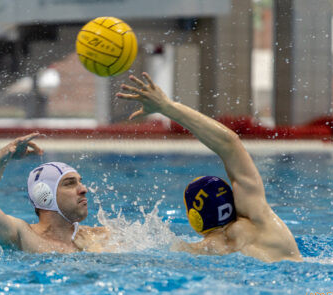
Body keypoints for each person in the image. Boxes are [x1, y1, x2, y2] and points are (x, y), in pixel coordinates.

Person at [116, 73, 302, 262]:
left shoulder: (194, 251)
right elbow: (231, 144)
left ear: (195, 219)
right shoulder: (261, 222)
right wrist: (167, 107)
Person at [0, 133, 111, 253]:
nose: (84, 189)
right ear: (45, 195)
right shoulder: (23, 235)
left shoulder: (98, 236)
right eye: (70, 183)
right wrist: (0, 159)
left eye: (80, 182)